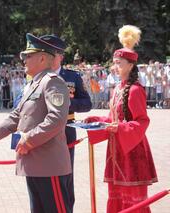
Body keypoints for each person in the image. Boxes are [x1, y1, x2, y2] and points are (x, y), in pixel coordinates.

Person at [0, 33, 72, 213]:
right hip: (35, 164)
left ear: (43, 58)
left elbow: (57, 119)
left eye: (28, 56)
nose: (23, 60)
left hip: (49, 165)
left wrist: (28, 140)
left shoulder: (52, 82)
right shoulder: (32, 85)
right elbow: (15, 117)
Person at [84, 25, 157, 213]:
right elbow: (114, 118)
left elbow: (142, 121)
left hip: (132, 151)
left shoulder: (134, 90)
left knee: (133, 199)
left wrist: (120, 129)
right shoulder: (117, 89)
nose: (115, 67)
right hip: (117, 151)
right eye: (114, 62)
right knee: (116, 194)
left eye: (119, 63)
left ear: (131, 65)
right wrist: (96, 120)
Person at [38, 34, 92, 212]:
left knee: (65, 176)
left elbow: (86, 104)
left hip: (66, 130)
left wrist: (66, 103)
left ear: (59, 55)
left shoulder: (72, 77)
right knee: (41, 177)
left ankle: (66, 208)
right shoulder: (36, 77)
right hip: (40, 132)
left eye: (49, 52)